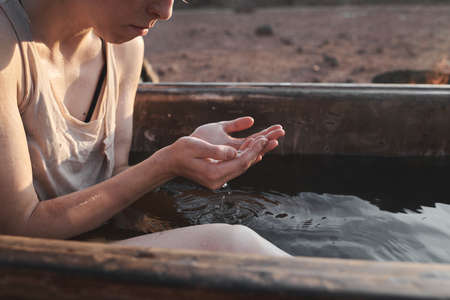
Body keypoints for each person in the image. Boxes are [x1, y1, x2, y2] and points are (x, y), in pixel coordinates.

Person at [0, 0, 288, 256]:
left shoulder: (123, 49)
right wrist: (164, 164)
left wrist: (191, 151)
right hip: (26, 269)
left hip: (89, 250)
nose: (165, 12)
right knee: (229, 246)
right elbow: (19, 228)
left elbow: (115, 175)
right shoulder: (6, 48)